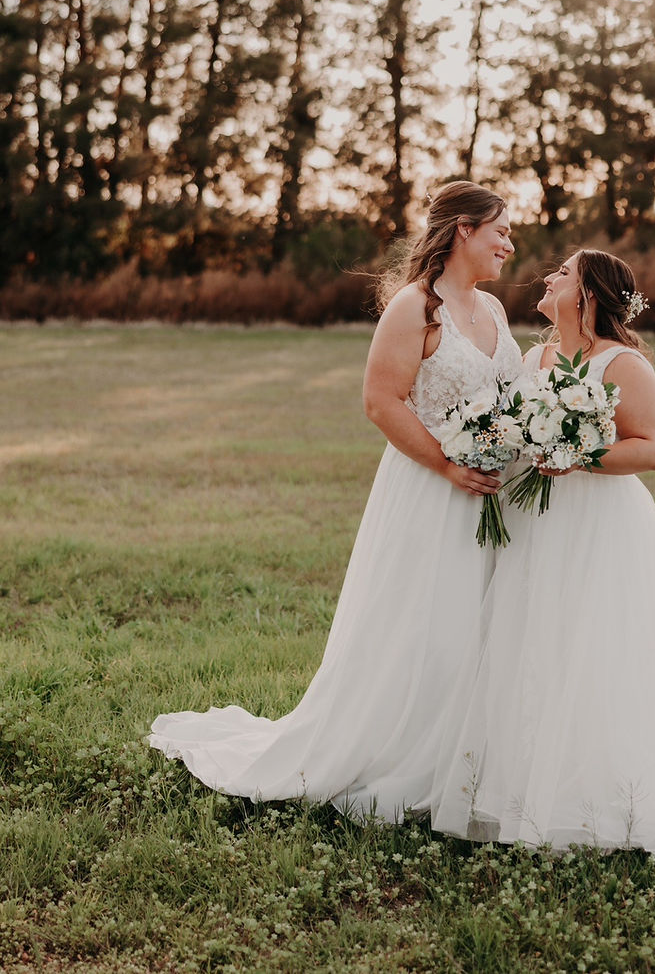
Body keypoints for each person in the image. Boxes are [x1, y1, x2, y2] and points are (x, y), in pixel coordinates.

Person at [148, 182, 522, 820]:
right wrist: (447, 464)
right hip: (430, 491)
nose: (509, 245)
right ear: (463, 229)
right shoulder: (414, 307)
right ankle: (401, 754)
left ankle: (467, 756)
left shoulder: (492, 310)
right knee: (422, 627)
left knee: (479, 627)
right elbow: (381, 402)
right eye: (501, 231)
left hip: (490, 492)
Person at [430, 248, 655, 854]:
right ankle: (525, 788)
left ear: (590, 295)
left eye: (563, 273)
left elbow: (649, 448)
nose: (548, 277)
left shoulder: (624, 364)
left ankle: (609, 795)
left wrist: (579, 455)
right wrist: (478, 439)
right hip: (536, 522)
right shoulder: (536, 355)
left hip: (600, 525)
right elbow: (516, 425)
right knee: (536, 643)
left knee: (596, 648)